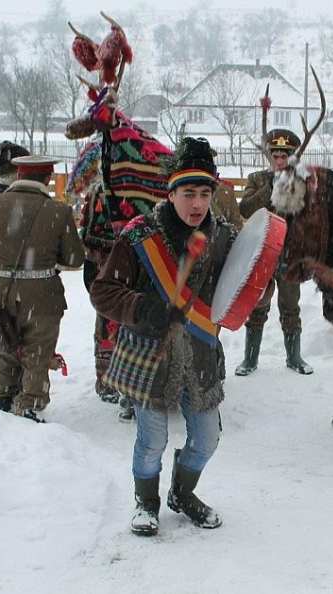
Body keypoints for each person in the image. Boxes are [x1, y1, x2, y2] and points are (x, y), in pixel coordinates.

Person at [90, 137, 237, 536]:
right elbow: (103, 292)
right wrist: (147, 310)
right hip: (148, 356)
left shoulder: (224, 237)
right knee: (151, 440)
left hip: (201, 356)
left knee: (207, 438)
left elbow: (239, 288)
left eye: (205, 193)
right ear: (171, 193)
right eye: (188, 193)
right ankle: (147, 503)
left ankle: (181, 494)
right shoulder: (140, 237)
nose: (197, 204)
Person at [0, 155, 84, 422]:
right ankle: (31, 402)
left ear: (18, 176)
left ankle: (3, 394)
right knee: (38, 349)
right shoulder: (59, 211)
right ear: (47, 179)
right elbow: (74, 259)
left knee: (4, 340)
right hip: (43, 293)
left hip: (1, 289)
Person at [235, 129, 312, 376]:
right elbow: (245, 208)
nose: (279, 161)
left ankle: (294, 357)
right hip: (262, 254)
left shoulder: (302, 182)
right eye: (275, 156)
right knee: (258, 305)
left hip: (290, 256)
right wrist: (270, 187)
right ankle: (250, 359)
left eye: (284, 156)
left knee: (291, 306)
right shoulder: (258, 179)